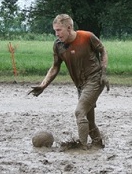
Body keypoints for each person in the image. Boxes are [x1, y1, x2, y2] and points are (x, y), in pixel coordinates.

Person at [29, 14, 109, 148]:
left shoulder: (86, 36)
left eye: (59, 30)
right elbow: (55, 67)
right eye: (55, 30)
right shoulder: (58, 45)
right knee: (89, 120)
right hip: (80, 85)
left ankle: (81, 146)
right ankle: (98, 144)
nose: (56, 34)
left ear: (69, 27)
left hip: (95, 79)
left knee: (79, 112)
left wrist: (104, 72)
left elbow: (103, 51)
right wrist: (43, 85)